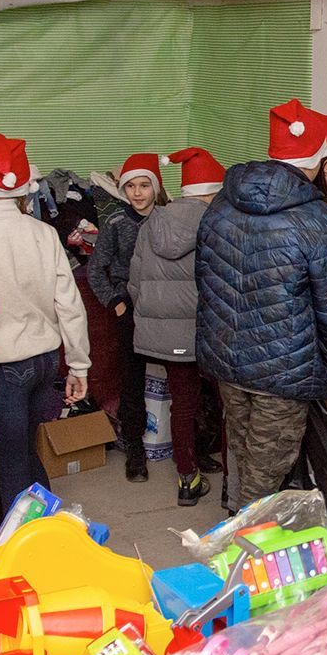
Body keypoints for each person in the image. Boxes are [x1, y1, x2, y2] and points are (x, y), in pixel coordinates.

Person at [196, 100, 327, 513]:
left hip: (228, 355)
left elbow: (206, 280)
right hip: (284, 366)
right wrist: (324, 354)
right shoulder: (317, 220)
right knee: (267, 470)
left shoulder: (221, 204)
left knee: (244, 450)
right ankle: (244, 556)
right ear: (318, 159)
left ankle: (236, 533)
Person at [0, 131, 89, 503]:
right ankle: (48, 529)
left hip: (2, 366)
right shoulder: (45, 233)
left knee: (11, 463)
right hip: (47, 362)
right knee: (27, 451)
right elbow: (70, 304)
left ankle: (21, 550)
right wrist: (79, 365)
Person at [128, 147, 226, 506]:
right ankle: (233, 482)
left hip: (166, 337)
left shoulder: (152, 223)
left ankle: (188, 479)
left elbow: (135, 282)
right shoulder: (217, 224)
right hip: (211, 334)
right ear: (212, 192)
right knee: (227, 404)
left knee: (182, 403)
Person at [89, 154, 163, 482]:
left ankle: (194, 448)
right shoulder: (116, 224)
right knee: (132, 380)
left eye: (144, 185)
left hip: (166, 311)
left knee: (181, 378)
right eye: (130, 186)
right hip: (129, 309)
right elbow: (96, 268)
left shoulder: (167, 220)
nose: (137, 192)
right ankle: (135, 449)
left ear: (156, 187)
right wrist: (115, 301)